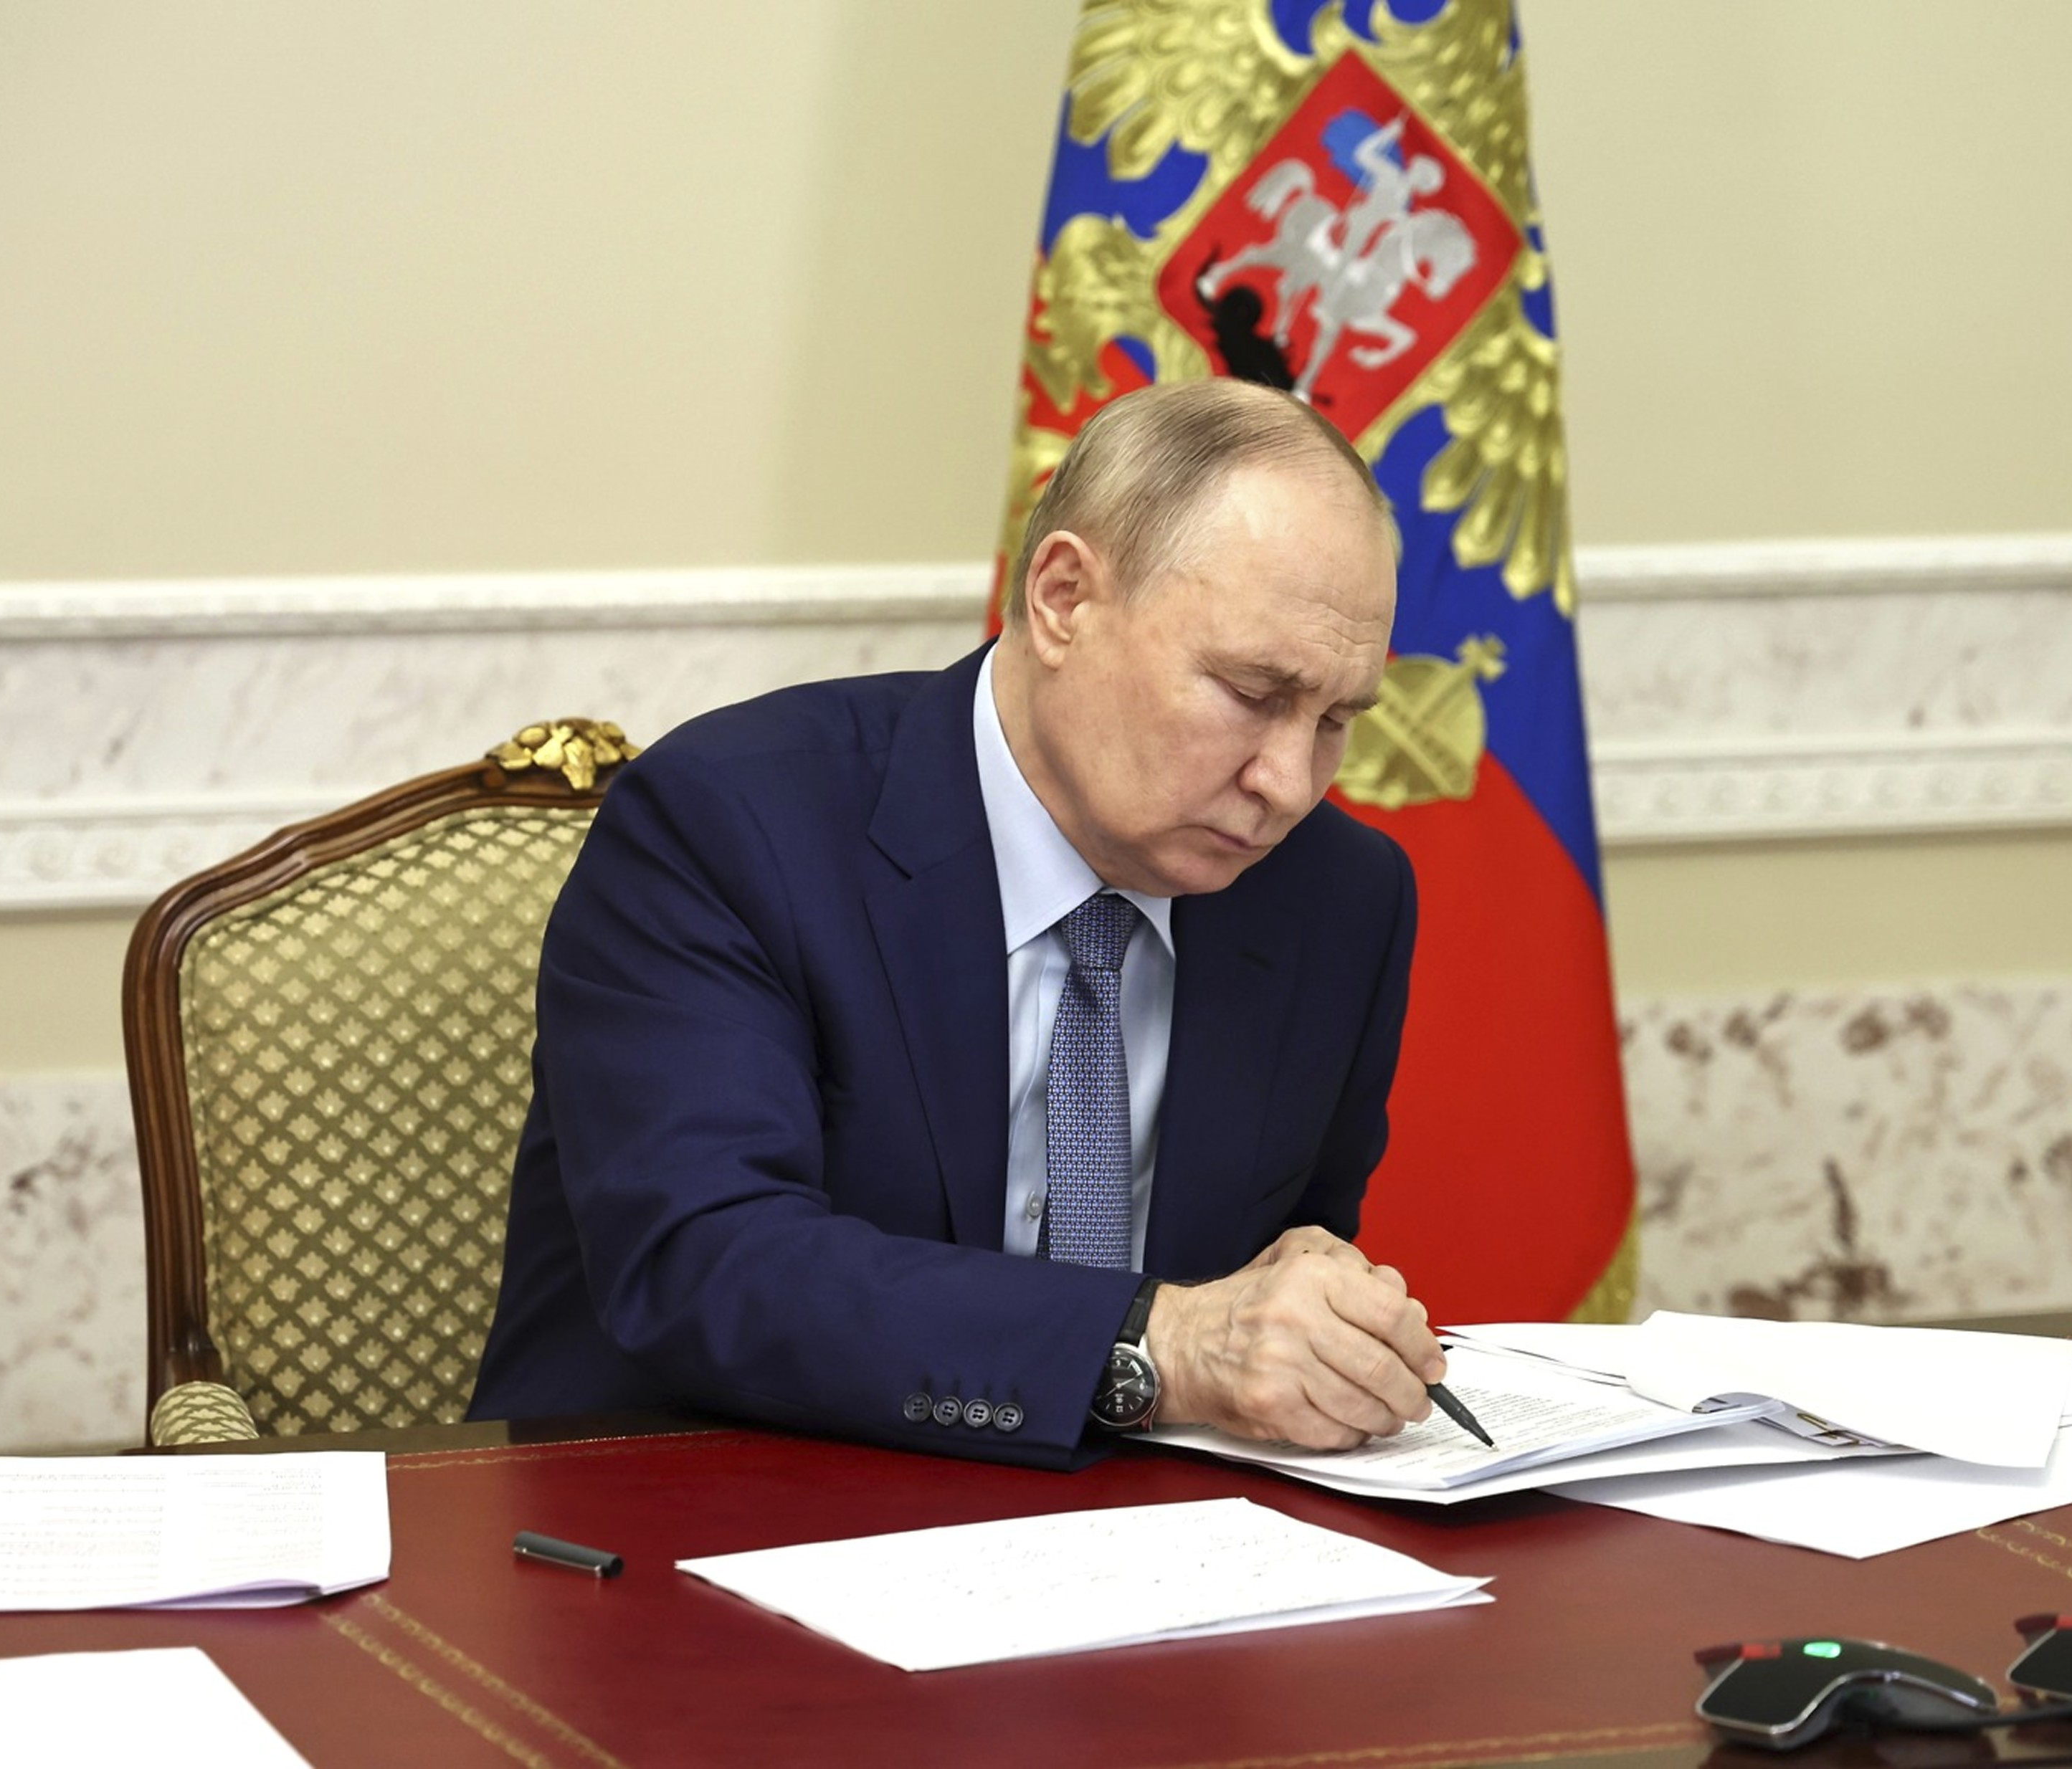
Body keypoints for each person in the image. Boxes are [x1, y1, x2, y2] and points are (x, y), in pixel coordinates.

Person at [468, 378, 1448, 1468]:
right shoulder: (731, 824)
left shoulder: (1338, 896)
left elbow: (1274, 1268)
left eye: (1336, 719)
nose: (1290, 783)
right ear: (1064, 599)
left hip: (1141, 1533)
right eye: (1253, 694)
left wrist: (1316, 1311)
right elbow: (709, 1263)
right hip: (686, 1503)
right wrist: (1152, 1343)